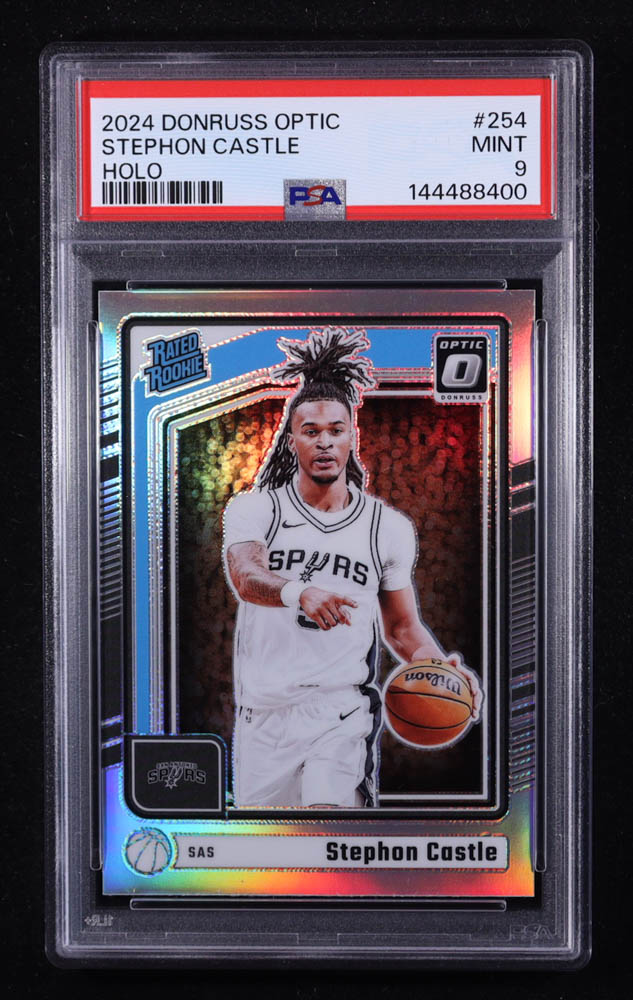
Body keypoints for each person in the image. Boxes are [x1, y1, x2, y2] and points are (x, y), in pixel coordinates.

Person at [222, 327, 482, 808]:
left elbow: (401, 627)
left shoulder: (387, 527)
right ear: (292, 441)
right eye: (311, 431)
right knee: (271, 849)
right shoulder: (257, 509)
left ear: (351, 437)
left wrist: (436, 665)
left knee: (330, 828)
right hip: (263, 717)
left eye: (335, 431)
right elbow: (245, 576)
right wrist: (299, 592)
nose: (324, 442)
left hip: (340, 712)